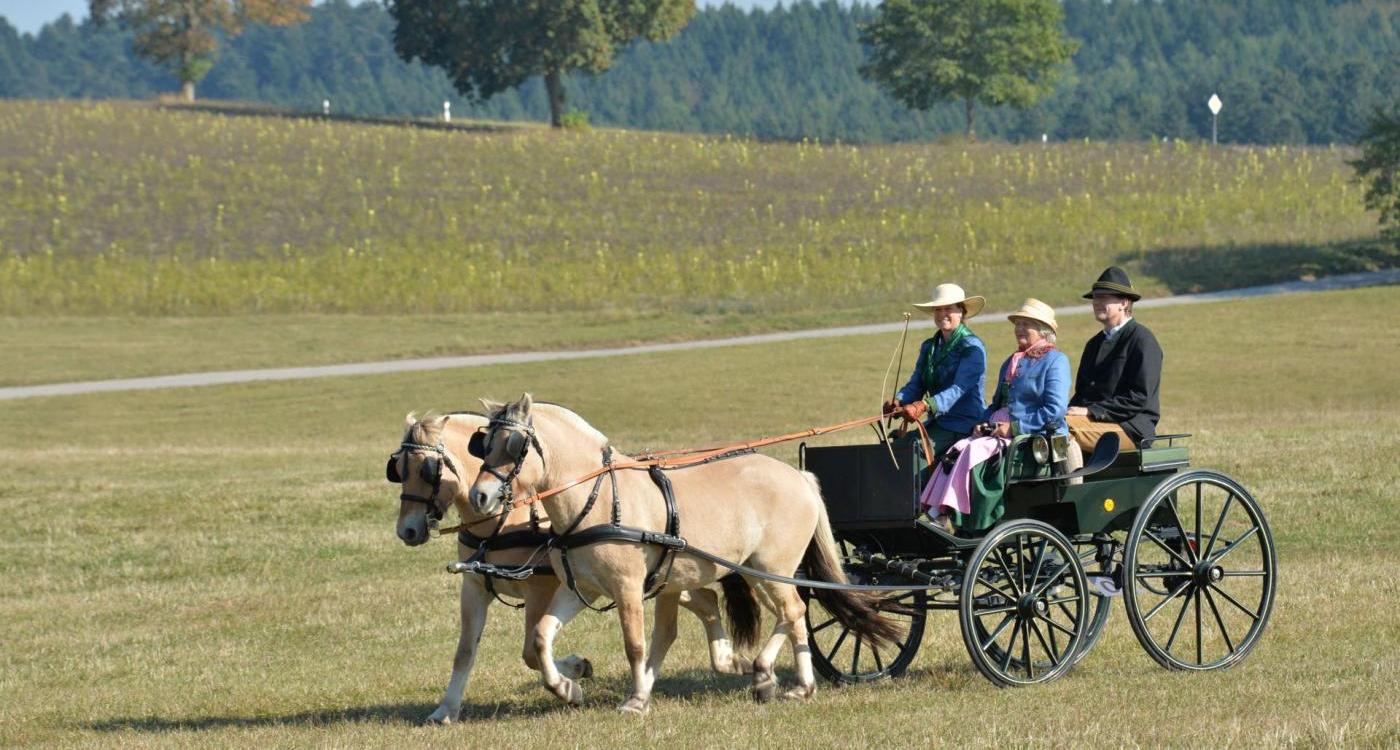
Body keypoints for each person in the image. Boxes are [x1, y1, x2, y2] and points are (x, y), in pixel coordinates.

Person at [921, 299, 1070, 532]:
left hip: (1033, 440)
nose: (1019, 329)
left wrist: (1014, 428)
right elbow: (996, 403)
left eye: (1026, 324)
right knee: (957, 448)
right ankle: (937, 511)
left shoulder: (1055, 361)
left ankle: (962, 517)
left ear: (1043, 331)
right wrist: (982, 423)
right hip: (999, 433)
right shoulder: (1011, 362)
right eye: (1017, 324)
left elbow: (1055, 410)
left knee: (972, 452)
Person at [884, 283, 988, 459]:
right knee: (897, 447)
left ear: (961, 312)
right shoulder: (929, 347)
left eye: (948, 309)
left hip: (964, 424)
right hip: (938, 423)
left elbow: (959, 389)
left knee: (911, 454)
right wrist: (900, 401)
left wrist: (924, 405)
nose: (942, 314)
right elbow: (917, 383)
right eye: (938, 309)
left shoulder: (972, 347)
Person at [1067, 266, 1162, 451]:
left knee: (1063, 433)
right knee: (1051, 427)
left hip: (1130, 427)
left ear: (1124, 302)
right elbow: (1082, 394)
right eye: (1095, 297)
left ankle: (1072, 480)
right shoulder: (1093, 344)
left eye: (1104, 297)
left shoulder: (1142, 340)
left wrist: (1091, 411)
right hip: (1093, 421)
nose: (1096, 302)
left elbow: (1138, 398)